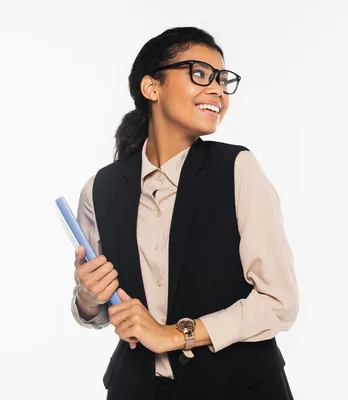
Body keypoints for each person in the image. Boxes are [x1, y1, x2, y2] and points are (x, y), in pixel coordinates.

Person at [70, 27, 299, 400]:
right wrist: (88, 296)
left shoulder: (237, 168)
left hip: (237, 388)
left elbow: (279, 301)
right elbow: (94, 312)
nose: (218, 90)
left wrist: (175, 334)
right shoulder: (99, 189)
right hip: (136, 389)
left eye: (222, 80)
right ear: (152, 87)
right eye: (200, 74)